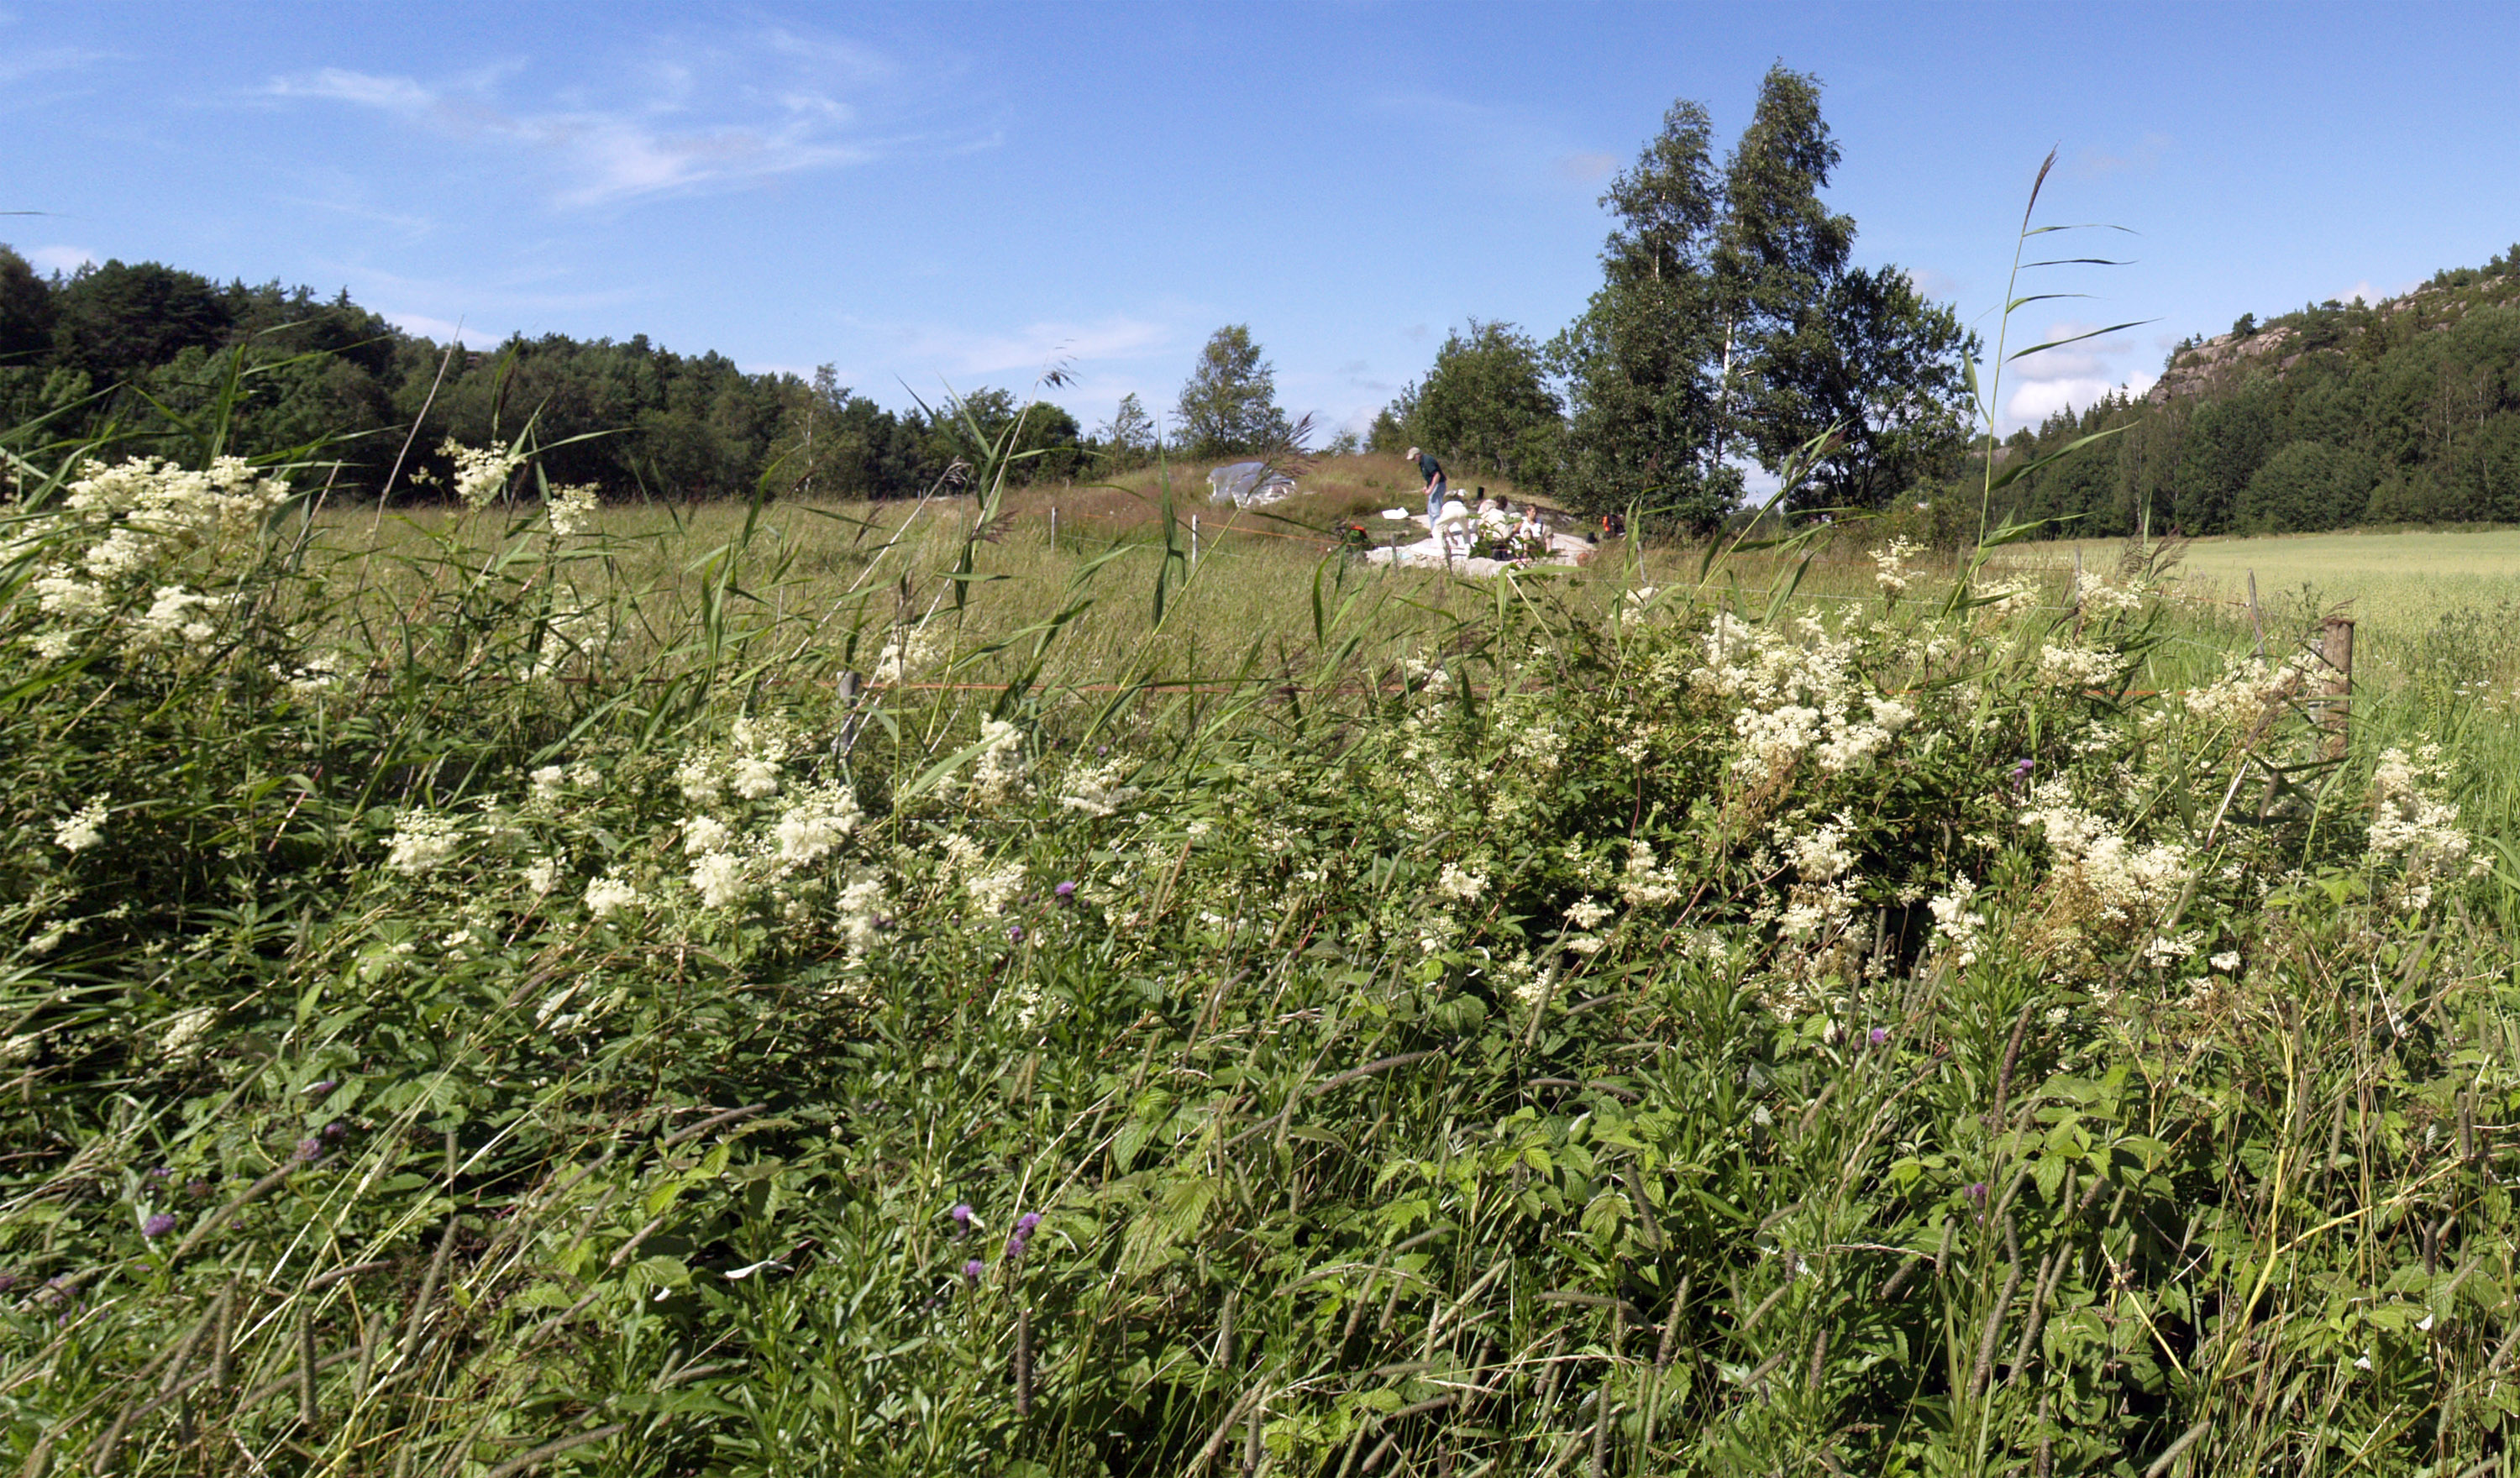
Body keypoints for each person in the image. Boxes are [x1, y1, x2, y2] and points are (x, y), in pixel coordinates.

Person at [1406, 447, 1446, 521]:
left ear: (1418, 455)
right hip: (1432, 485)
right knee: (1431, 511)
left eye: (1413, 458)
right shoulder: (1421, 463)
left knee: (1436, 511)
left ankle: (1439, 530)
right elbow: (1430, 477)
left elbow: (1437, 475)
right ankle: (1434, 530)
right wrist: (1427, 486)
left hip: (1438, 485)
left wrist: (1431, 489)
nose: (1413, 460)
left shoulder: (1428, 460)